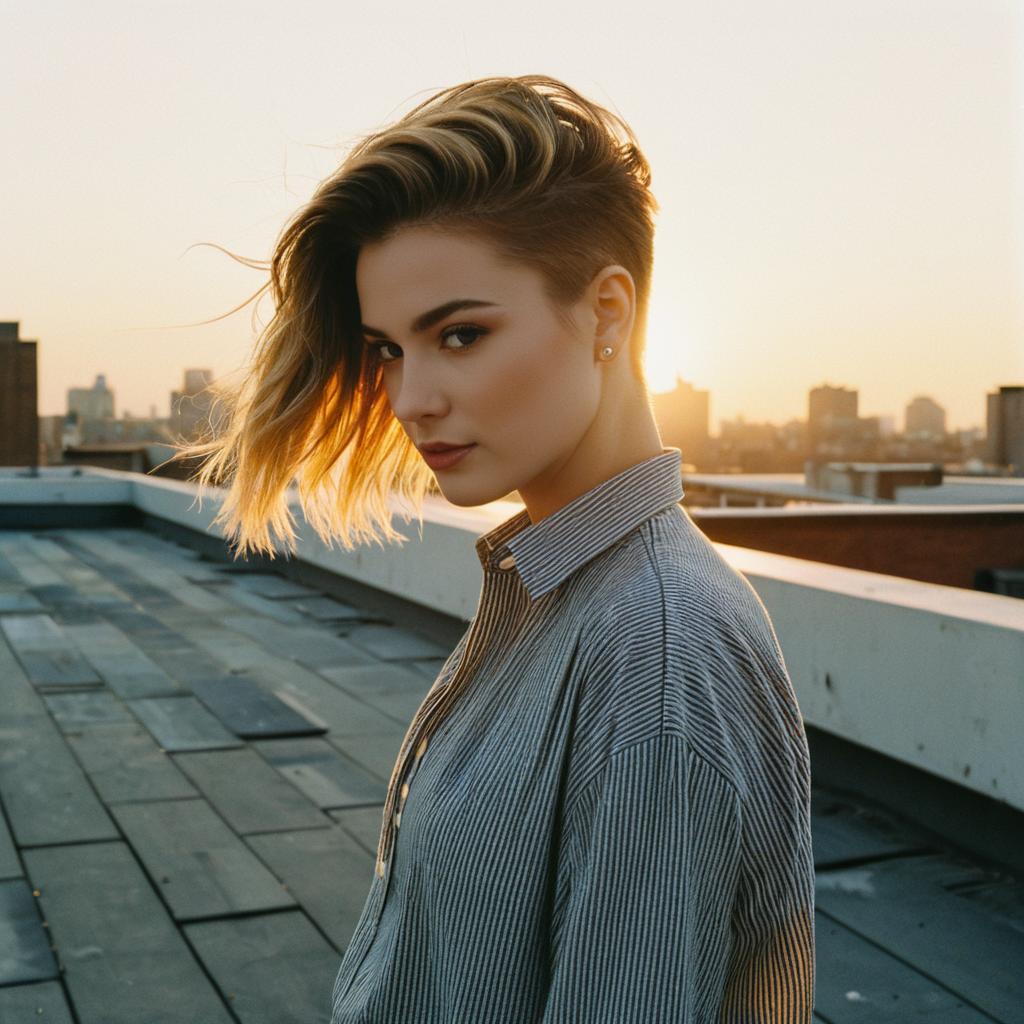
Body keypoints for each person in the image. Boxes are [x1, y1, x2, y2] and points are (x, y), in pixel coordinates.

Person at [174, 74, 815, 1022]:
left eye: (461, 334)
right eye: (388, 347)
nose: (407, 398)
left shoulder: (660, 650)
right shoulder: (562, 594)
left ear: (606, 313)